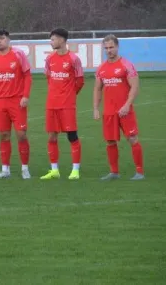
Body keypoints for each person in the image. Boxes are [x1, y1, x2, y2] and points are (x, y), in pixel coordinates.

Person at [93, 34, 144, 180]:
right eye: (106, 48)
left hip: (125, 110)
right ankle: (114, 172)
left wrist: (127, 105)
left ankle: (139, 172)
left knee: (132, 138)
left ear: (117, 47)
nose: (109, 50)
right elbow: (97, 89)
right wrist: (96, 108)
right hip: (109, 111)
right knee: (110, 141)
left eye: (111, 47)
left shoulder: (126, 65)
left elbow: (135, 86)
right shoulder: (101, 68)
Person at [0, 29, 32, 179]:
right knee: (3, 135)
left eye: (2, 38)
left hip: (17, 102)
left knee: (21, 135)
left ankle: (25, 168)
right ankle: (5, 170)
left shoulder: (18, 55)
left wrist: (25, 95)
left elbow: (27, 76)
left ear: (8, 39)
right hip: (1, 103)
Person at [40, 28, 84, 180]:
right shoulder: (49, 59)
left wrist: (70, 95)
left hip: (67, 104)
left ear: (62, 40)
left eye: (53, 39)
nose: (51, 42)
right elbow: (49, 78)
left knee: (72, 136)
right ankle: (54, 170)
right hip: (51, 104)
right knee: (52, 136)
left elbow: (80, 81)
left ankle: (75, 170)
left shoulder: (73, 59)